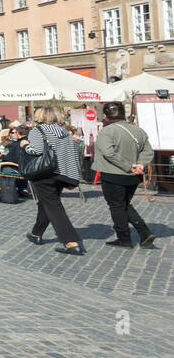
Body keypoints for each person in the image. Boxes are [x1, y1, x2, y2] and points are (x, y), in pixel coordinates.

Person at [93, 101, 156, 249]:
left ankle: (124, 238)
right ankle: (144, 232)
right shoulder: (137, 130)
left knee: (117, 206)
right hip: (133, 176)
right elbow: (148, 151)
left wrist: (130, 166)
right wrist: (140, 164)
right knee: (124, 204)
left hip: (113, 174)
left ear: (105, 115)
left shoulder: (107, 131)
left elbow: (109, 153)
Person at [24, 106, 85, 256]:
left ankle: (71, 242)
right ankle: (36, 233)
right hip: (61, 173)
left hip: (44, 173)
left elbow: (37, 151)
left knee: (53, 206)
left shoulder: (37, 131)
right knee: (46, 203)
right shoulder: (63, 131)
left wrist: (25, 146)